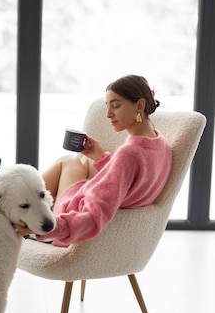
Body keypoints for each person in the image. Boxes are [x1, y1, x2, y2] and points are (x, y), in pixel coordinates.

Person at [14, 75, 172, 247]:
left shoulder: (129, 154)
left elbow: (93, 217)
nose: (108, 114)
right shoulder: (160, 144)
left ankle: (14, 211)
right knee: (83, 162)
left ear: (139, 105)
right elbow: (130, 183)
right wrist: (100, 158)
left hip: (67, 222)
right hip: (111, 220)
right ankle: (19, 206)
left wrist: (44, 228)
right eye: (108, 106)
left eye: (116, 105)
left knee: (69, 162)